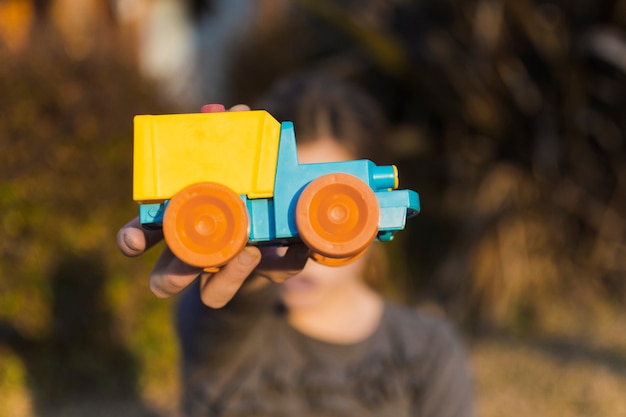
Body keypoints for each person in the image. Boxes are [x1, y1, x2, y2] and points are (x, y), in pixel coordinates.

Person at [117, 73, 475, 417]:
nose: (305, 247)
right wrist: (245, 271)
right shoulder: (227, 337)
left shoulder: (427, 350)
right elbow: (218, 315)